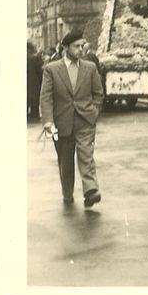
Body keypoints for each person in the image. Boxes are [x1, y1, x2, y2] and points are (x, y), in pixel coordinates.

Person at [39, 31, 104, 207]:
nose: (80, 49)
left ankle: (91, 190)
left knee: (86, 156)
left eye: (82, 46)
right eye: (76, 46)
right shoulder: (51, 69)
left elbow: (98, 93)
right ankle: (67, 193)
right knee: (65, 160)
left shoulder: (90, 68)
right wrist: (48, 122)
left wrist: (94, 111)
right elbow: (46, 97)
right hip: (62, 123)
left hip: (85, 120)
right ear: (66, 47)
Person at [26, 41, 43, 120]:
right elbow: (40, 72)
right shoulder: (36, 57)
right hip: (34, 84)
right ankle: (34, 117)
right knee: (34, 104)